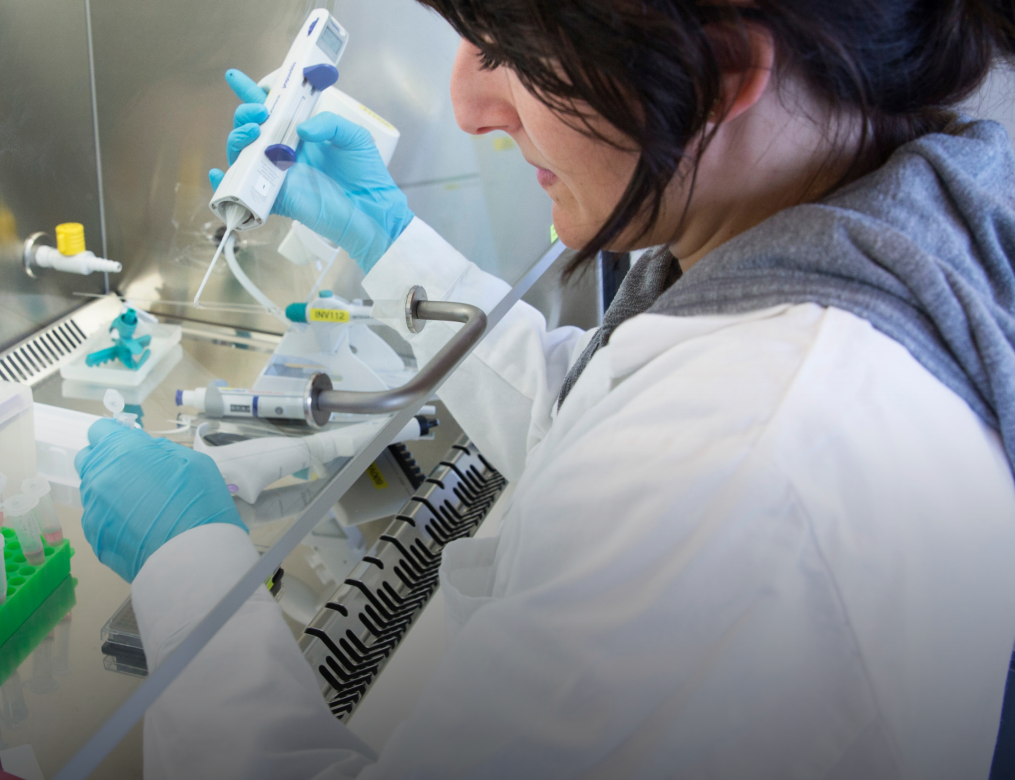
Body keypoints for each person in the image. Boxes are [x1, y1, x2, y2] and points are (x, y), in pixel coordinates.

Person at [76, 0, 1015, 776]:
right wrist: (390, 243)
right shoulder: (877, 211)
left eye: (513, 52)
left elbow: (663, 460)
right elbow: (600, 410)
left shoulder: (738, 483)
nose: (468, 105)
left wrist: (188, 568)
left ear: (724, 72)